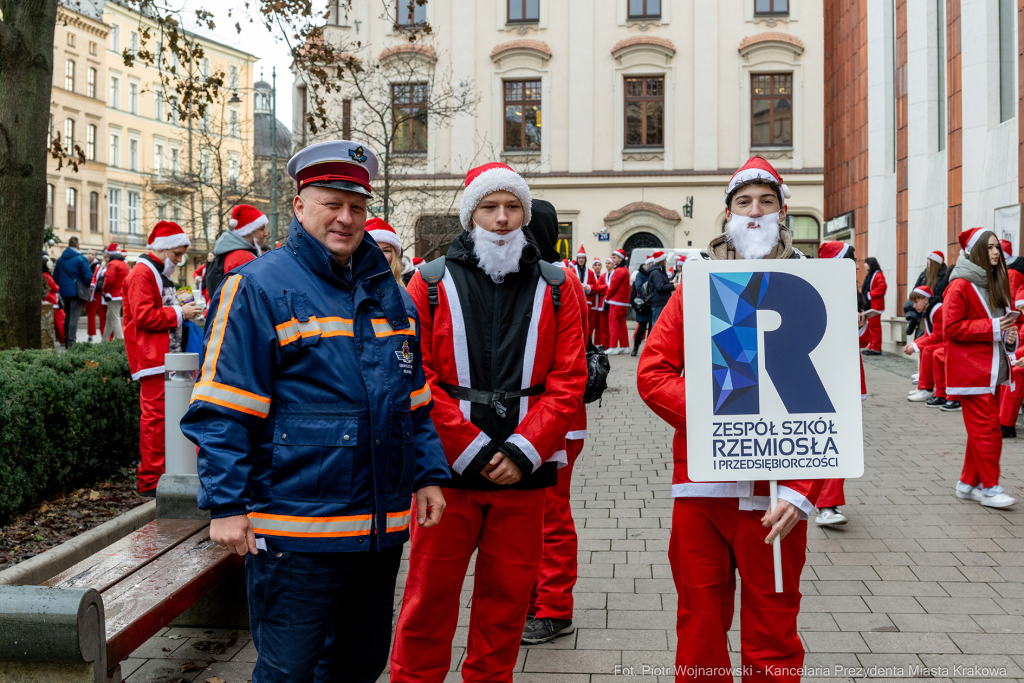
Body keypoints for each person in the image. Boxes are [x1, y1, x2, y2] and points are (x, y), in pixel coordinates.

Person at [181, 140, 450, 683]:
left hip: (378, 528)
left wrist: (428, 474)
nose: (346, 218)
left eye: (357, 206)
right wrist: (227, 506)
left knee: (360, 663)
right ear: (300, 204)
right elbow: (223, 408)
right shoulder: (257, 286)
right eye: (332, 202)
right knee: (289, 672)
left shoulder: (387, 292)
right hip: (295, 530)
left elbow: (412, 398)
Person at [390, 162, 587, 683]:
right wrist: (470, 449)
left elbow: (570, 378)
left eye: (512, 207)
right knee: (428, 602)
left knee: (505, 605)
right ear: (470, 214)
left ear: (525, 213)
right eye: (489, 207)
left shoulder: (561, 286)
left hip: (525, 474)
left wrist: (525, 450)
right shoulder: (427, 284)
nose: (501, 219)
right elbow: (416, 378)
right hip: (447, 475)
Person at [638, 156, 821, 682]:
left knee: (775, 631)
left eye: (766, 202)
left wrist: (805, 489)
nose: (756, 212)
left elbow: (834, 402)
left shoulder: (813, 284)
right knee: (700, 625)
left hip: (778, 493)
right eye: (745, 202)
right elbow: (652, 373)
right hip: (701, 492)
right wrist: (726, 414)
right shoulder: (695, 286)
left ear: (783, 213)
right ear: (728, 214)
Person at [522, 199, 590, 645]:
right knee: (532, 515)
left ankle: (553, 608)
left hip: (557, 421)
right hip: (540, 419)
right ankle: (532, 599)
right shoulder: (544, 273)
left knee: (551, 517)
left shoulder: (558, 278)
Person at [122, 222, 202, 496]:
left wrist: (184, 310)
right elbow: (143, 316)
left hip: (165, 359)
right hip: (154, 360)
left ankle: (159, 476)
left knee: (162, 421)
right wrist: (181, 312)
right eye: (177, 254)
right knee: (155, 422)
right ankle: (149, 482)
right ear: (164, 248)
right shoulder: (142, 274)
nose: (179, 261)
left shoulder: (155, 273)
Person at [945, 227, 1017, 508]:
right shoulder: (960, 285)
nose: (996, 252)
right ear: (976, 251)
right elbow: (951, 327)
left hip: (990, 371)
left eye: (997, 246)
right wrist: (997, 328)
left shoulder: (993, 282)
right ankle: (989, 488)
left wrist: (1010, 337)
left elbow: (1003, 329)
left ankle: (967, 484)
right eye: (989, 247)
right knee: (989, 430)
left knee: (981, 431)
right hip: (971, 373)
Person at [815, 240, 866, 527]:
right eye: (852, 258)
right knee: (835, 441)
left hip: (842, 374)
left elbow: (857, 339)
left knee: (837, 440)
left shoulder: (847, 289)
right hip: (828, 376)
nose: (857, 264)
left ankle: (821, 501)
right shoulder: (825, 290)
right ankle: (826, 504)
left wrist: (858, 323)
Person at [204, 204, 268, 299]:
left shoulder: (233, 254)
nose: (265, 233)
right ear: (249, 231)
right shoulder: (244, 258)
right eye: (261, 229)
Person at [904, 286, 945, 405]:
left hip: (949, 343)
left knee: (927, 350)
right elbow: (929, 334)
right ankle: (924, 388)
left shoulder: (938, 310)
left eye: (916, 302)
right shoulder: (930, 310)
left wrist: (916, 346)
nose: (914, 306)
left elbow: (937, 335)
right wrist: (913, 344)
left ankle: (926, 389)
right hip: (944, 341)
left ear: (926, 300)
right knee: (925, 349)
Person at [53, 236, 93, 348]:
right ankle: (71, 341)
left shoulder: (60, 259)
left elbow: (55, 277)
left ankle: (66, 339)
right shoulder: (81, 258)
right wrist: (84, 284)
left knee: (67, 316)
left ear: (68, 246)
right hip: (77, 291)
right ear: (78, 246)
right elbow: (88, 276)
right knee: (74, 317)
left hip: (64, 292)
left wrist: (63, 286)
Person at [604, 248, 631, 354]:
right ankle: (624, 346)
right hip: (623, 302)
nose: (613, 259)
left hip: (616, 301)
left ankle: (613, 346)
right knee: (622, 325)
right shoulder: (625, 270)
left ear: (620, 258)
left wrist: (607, 297)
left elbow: (613, 287)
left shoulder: (619, 271)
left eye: (614, 258)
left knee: (613, 324)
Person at [365, 217, 405, 285]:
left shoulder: (403, 292)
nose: (380, 255)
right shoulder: (348, 290)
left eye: (386, 251)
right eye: (372, 250)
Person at [102, 242, 128, 341]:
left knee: (115, 317)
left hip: (113, 295)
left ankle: (120, 341)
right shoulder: (124, 263)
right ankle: (104, 340)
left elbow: (109, 280)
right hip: (122, 294)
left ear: (109, 254)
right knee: (110, 317)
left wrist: (105, 291)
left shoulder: (112, 264)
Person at [861, 257, 886, 354]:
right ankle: (872, 346)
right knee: (871, 326)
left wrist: (869, 294)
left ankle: (876, 348)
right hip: (870, 305)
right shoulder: (870, 275)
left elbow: (882, 287)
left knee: (875, 327)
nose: (864, 265)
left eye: (866, 263)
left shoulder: (878, 275)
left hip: (875, 305)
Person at [647, 250, 676, 327]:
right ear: (661, 261)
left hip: (659, 301)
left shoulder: (658, 271)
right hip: (659, 302)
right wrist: (673, 286)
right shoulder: (657, 272)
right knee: (657, 325)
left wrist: (670, 284)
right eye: (665, 260)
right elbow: (660, 287)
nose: (666, 261)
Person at [631, 257, 652, 356]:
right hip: (643, 304)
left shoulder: (654, 273)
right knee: (641, 328)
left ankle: (649, 350)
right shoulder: (640, 274)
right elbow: (639, 288)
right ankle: (635, 348)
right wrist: (650, 290)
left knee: (652, 329)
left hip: (652, 304)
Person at [43, 258, 63, 346]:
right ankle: (63, 339)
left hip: (47, 300)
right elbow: (54, 288)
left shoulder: (42, 275)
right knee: (60, 322)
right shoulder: (46, 276)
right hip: (52, 301)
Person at [590, 257, 607, 345]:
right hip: (592, 305)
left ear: (601, 266)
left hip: (600, 305)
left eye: (599, 265)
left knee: (599, 326)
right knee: (590, 325)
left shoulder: (603, 277)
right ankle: (588, 343)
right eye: (595, 265)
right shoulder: (590, 276)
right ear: (593, 266)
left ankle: (597, 343)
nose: (597, 267)